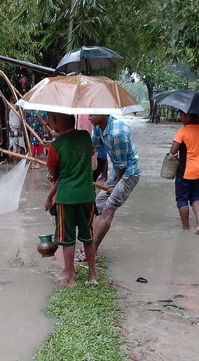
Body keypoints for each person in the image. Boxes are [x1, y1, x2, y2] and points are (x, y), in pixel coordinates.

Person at [44, 113, 97, 287]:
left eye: (51, 119)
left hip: (66, 198)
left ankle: (70, 277)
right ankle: (92, 275)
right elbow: (88, 155)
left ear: (55, 122)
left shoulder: (55, 146)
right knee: (88, 237)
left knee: (68, 240)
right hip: (87, 195)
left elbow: (54, 175)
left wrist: (50, 187)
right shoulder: (85, 136)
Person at [77, 115, 140, 260]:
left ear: (103, 112)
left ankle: (91, 252)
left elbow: (123, 166)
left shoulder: (117, 134)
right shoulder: (99, 126)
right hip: (116, 172)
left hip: (128, 174)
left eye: (92, 114)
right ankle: (89, 245)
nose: (89, 117)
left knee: (108, 209)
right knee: (97, 207)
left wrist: (117, 185)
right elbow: (92, 149)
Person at [171, 112, 199, 234]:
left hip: (185, 171)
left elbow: (173, 151)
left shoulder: (183, 131)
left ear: (189, 116)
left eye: (183, 115)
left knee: (182, 199)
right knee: (196, 196)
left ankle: (186, 228)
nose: (181, 117)